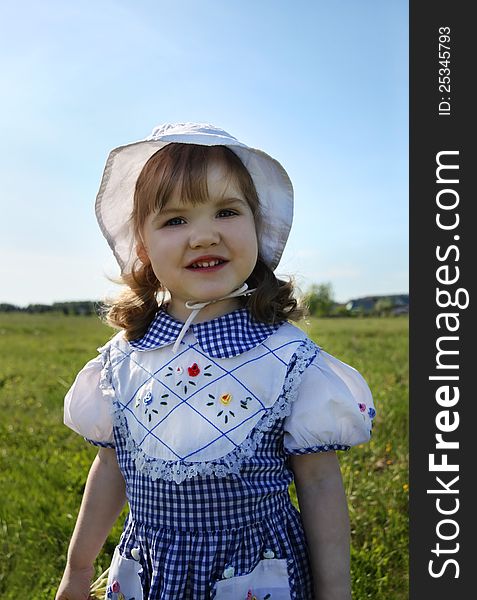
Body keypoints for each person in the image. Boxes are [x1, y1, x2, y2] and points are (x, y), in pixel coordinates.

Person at [56, 122, 375, 600]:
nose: (203, 236)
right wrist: (78, 573)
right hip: (151, 574)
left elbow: (321, 482)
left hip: (255, 575)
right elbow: (110, 467)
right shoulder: (123, 361)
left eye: (226, 211)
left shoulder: (287, 359)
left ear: (257, 226)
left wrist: (336, 592)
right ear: (142, 246)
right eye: (175, 220)